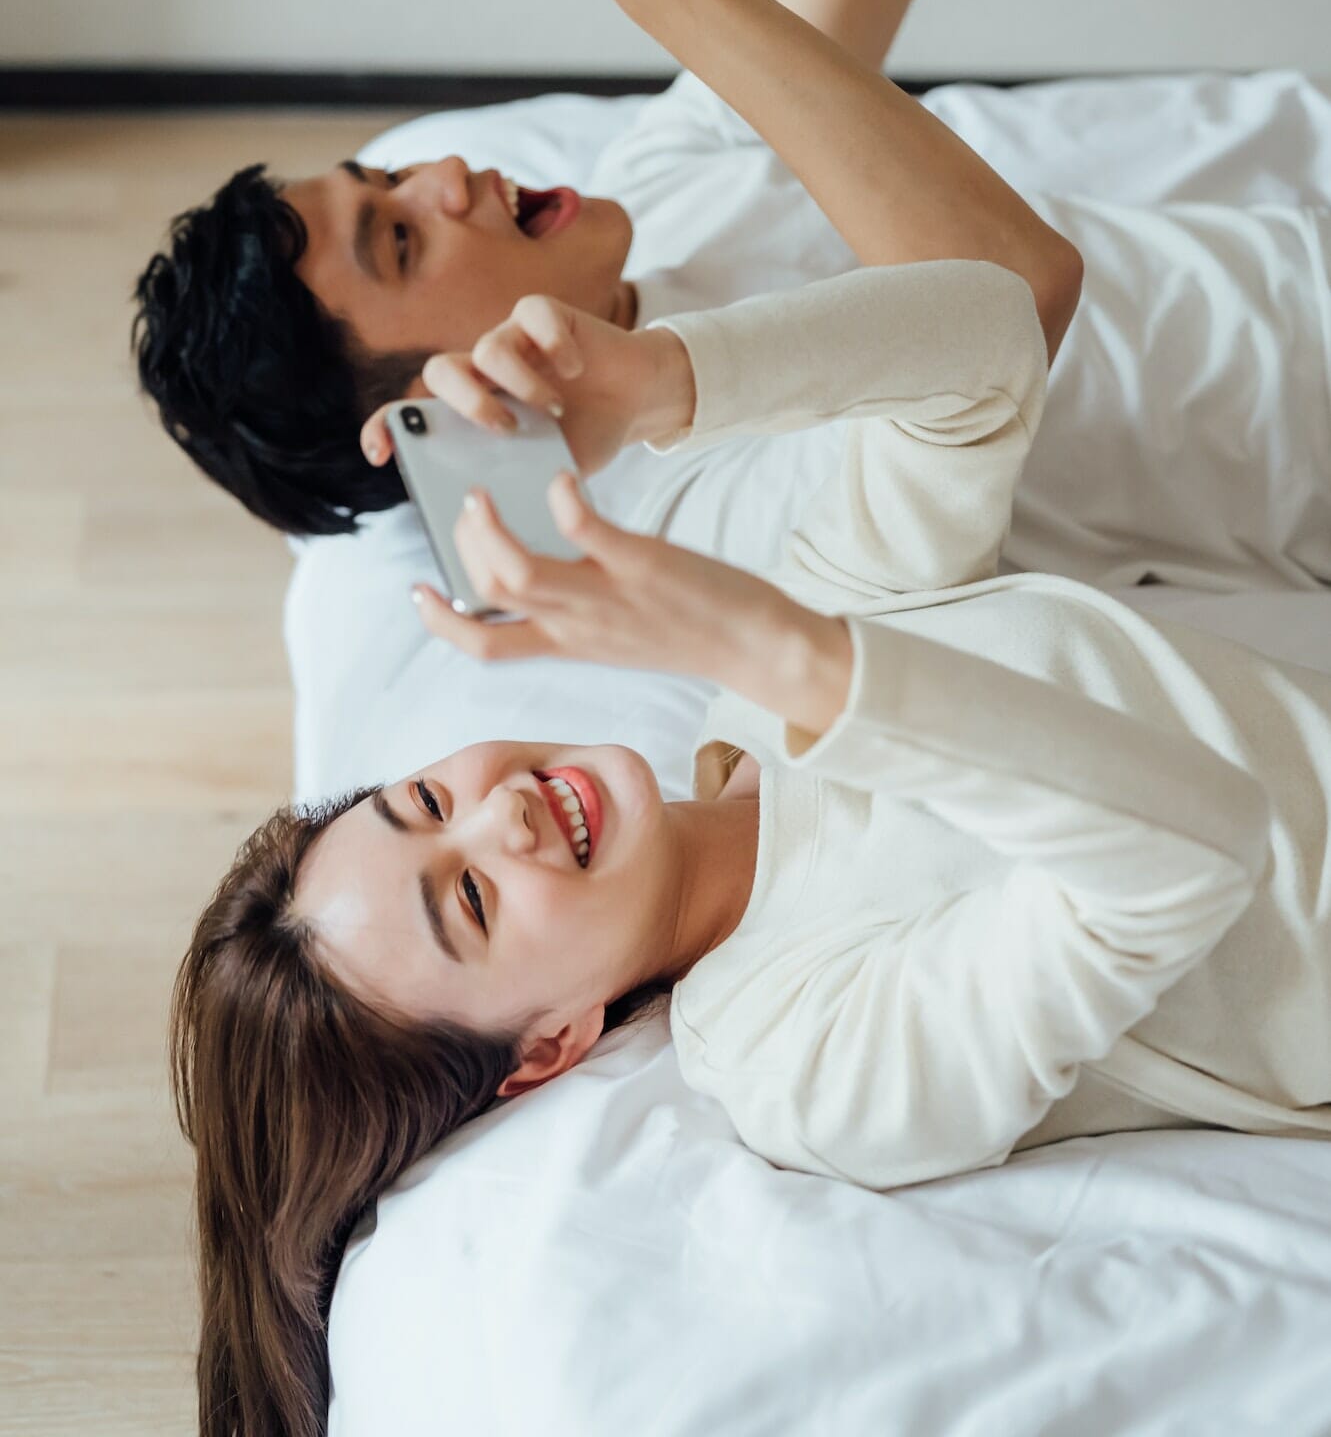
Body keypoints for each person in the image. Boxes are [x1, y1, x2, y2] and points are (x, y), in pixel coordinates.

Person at [173, 259, 1331, 1437]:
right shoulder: (795, 1056)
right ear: (546, 1049)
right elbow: (1195, 850)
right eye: (470, 898)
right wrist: (779, 648)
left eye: (427, 797)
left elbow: (989, 353)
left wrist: (656, 382)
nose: (498, 812)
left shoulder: (758, 721)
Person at [132, 0, 1331, 596]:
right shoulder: (695, 525)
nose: (440, 172)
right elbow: (1012, 297)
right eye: (399, 240)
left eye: (381, 181)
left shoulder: (650, 199)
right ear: (428, 415)